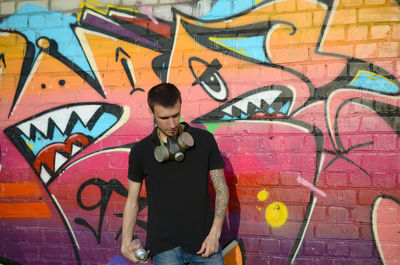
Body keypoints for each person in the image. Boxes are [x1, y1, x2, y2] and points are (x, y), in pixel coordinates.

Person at [121, 83, 229, 264]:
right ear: (151, 112)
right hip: (164, 249)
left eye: (175, 115)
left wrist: (214, 234)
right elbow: (132, 200)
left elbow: (221, 189)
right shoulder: (141, 151)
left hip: (205, 245)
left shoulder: (204, 141)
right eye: (163, 118)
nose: (171, 124)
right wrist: (125, 242)